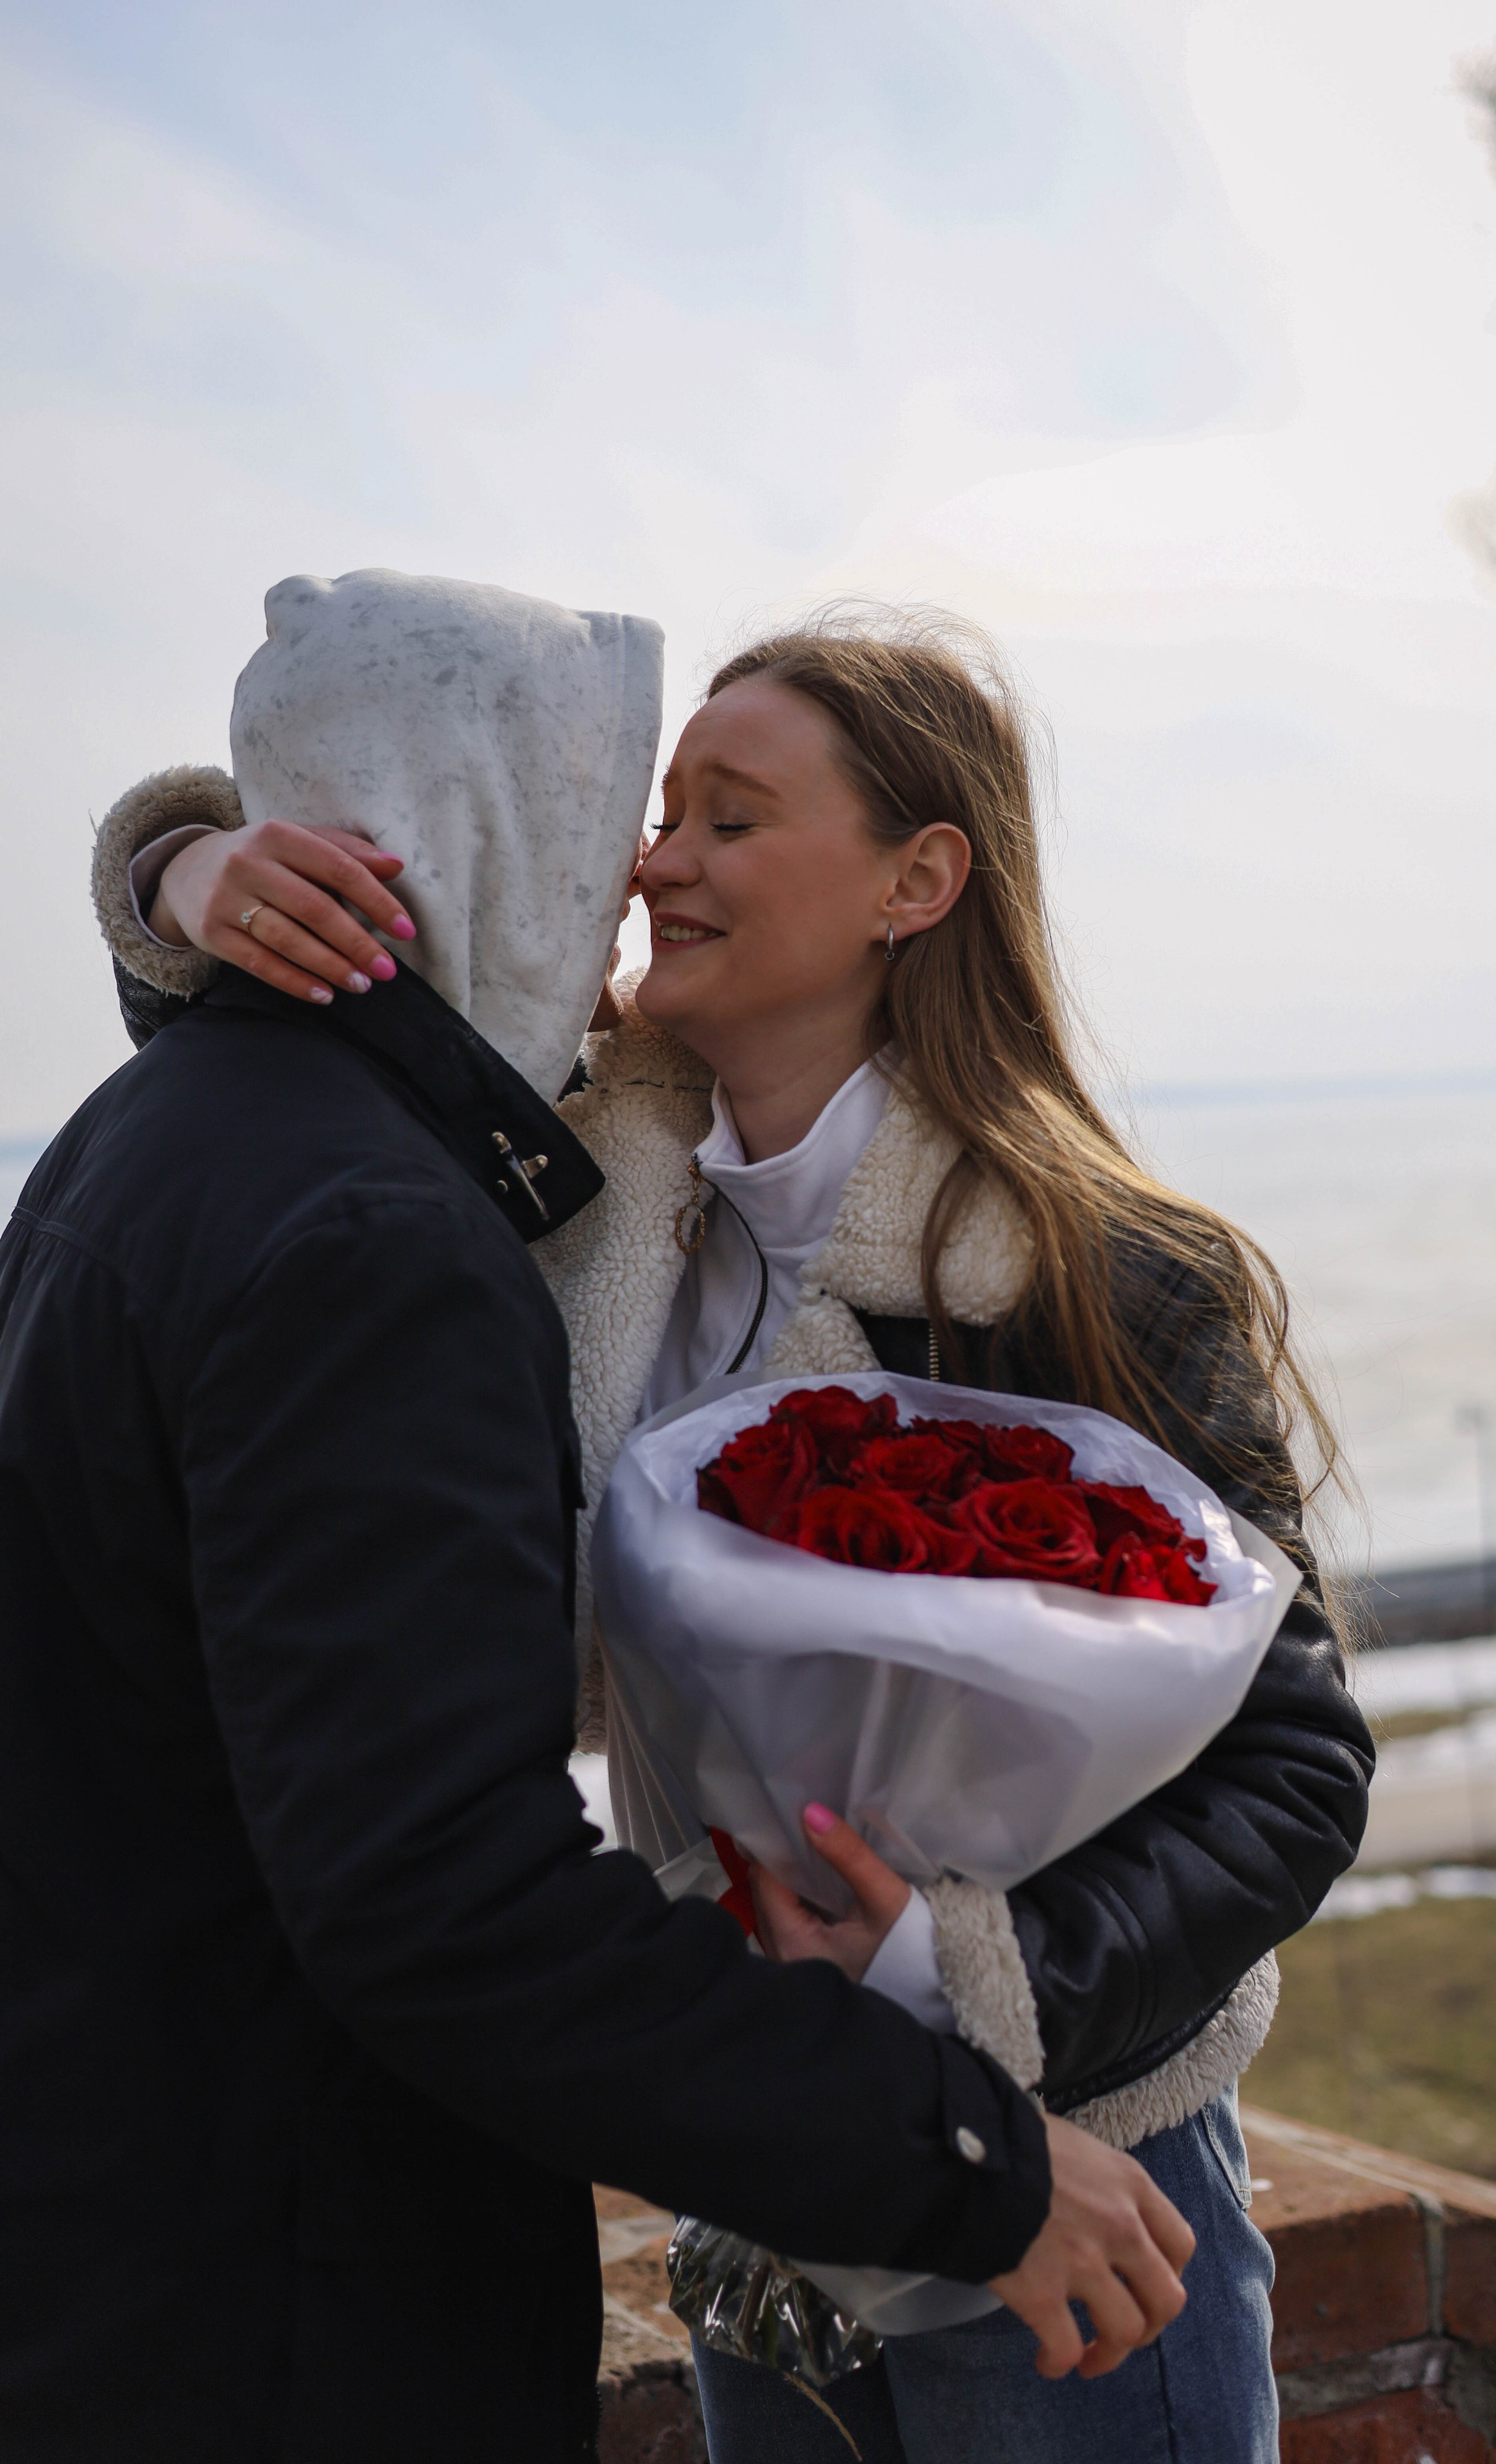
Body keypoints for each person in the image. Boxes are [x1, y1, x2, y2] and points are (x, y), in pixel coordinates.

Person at [94, 603, 1373, 2464]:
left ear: (916, 881)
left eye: (730, 818)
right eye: (658, 814)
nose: (652, 863)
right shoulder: (568, 1180)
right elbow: (279, 1113)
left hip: (1077, 2169)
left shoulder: (1095, 1270)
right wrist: (187, 871)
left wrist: (969, 1979)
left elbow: (1301, 1760)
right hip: (763, 2155)